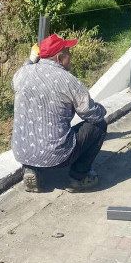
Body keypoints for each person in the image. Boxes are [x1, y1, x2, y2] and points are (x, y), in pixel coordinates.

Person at [11, 34, 108, 193]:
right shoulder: (69, 81)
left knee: (31, 128)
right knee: (99, 126)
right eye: (69, 53)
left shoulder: (22, 73)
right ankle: (78, 178)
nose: (71, 57)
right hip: (58, 156)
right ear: (60, 58)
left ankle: (31, 169)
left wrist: (30, 60)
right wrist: (102, 109)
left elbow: (14, 82)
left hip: (22, 152)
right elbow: (91, 114)